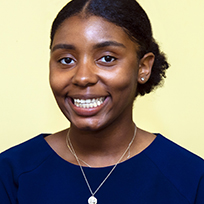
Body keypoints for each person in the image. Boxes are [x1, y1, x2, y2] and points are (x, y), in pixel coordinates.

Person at [0, 0, 204, 203]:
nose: (82, 77)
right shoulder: (11, 174)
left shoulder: (191, 179)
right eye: (66, 60)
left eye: (107, 58)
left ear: (143, 67)